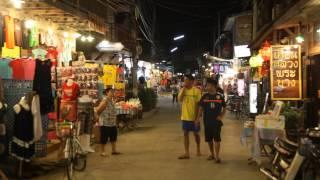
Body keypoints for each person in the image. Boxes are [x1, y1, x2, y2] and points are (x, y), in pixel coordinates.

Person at [196, 78, 226, 163]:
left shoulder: (219, 96)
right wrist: (197, 119)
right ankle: (212, 154)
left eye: (208, 85)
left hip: (216, 122)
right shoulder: (205, 96)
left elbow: (225, 107)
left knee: (217, 139)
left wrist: (221, 116)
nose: (206, 86)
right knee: (209, 139)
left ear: (213, 86)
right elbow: (200, 108)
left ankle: (217, 156)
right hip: (207, 121)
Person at [178, 75, 202, 159]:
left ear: (192, 81)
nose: (185, 82)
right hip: (185, 116)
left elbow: (199, 105)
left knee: (196, 134)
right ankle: (187, 152)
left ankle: (198, 148)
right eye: (184, 80)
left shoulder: (196, 91)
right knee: (185, 133)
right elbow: (180, 99)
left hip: (194, 117)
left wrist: (197, 118)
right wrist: (183, 89)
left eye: (186, 80)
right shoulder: (182, 90)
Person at [95, 88, 121, 157]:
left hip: (112, 122)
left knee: (113, 136)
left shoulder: (111, 100)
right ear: (107, 92)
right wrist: (98, 117)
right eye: (111, 92)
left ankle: (114, 150)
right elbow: (98, 110)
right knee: (104, 137)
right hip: (105, 122)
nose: (112, 93)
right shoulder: (105, 100)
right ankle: (102, 152)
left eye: (113, 92)